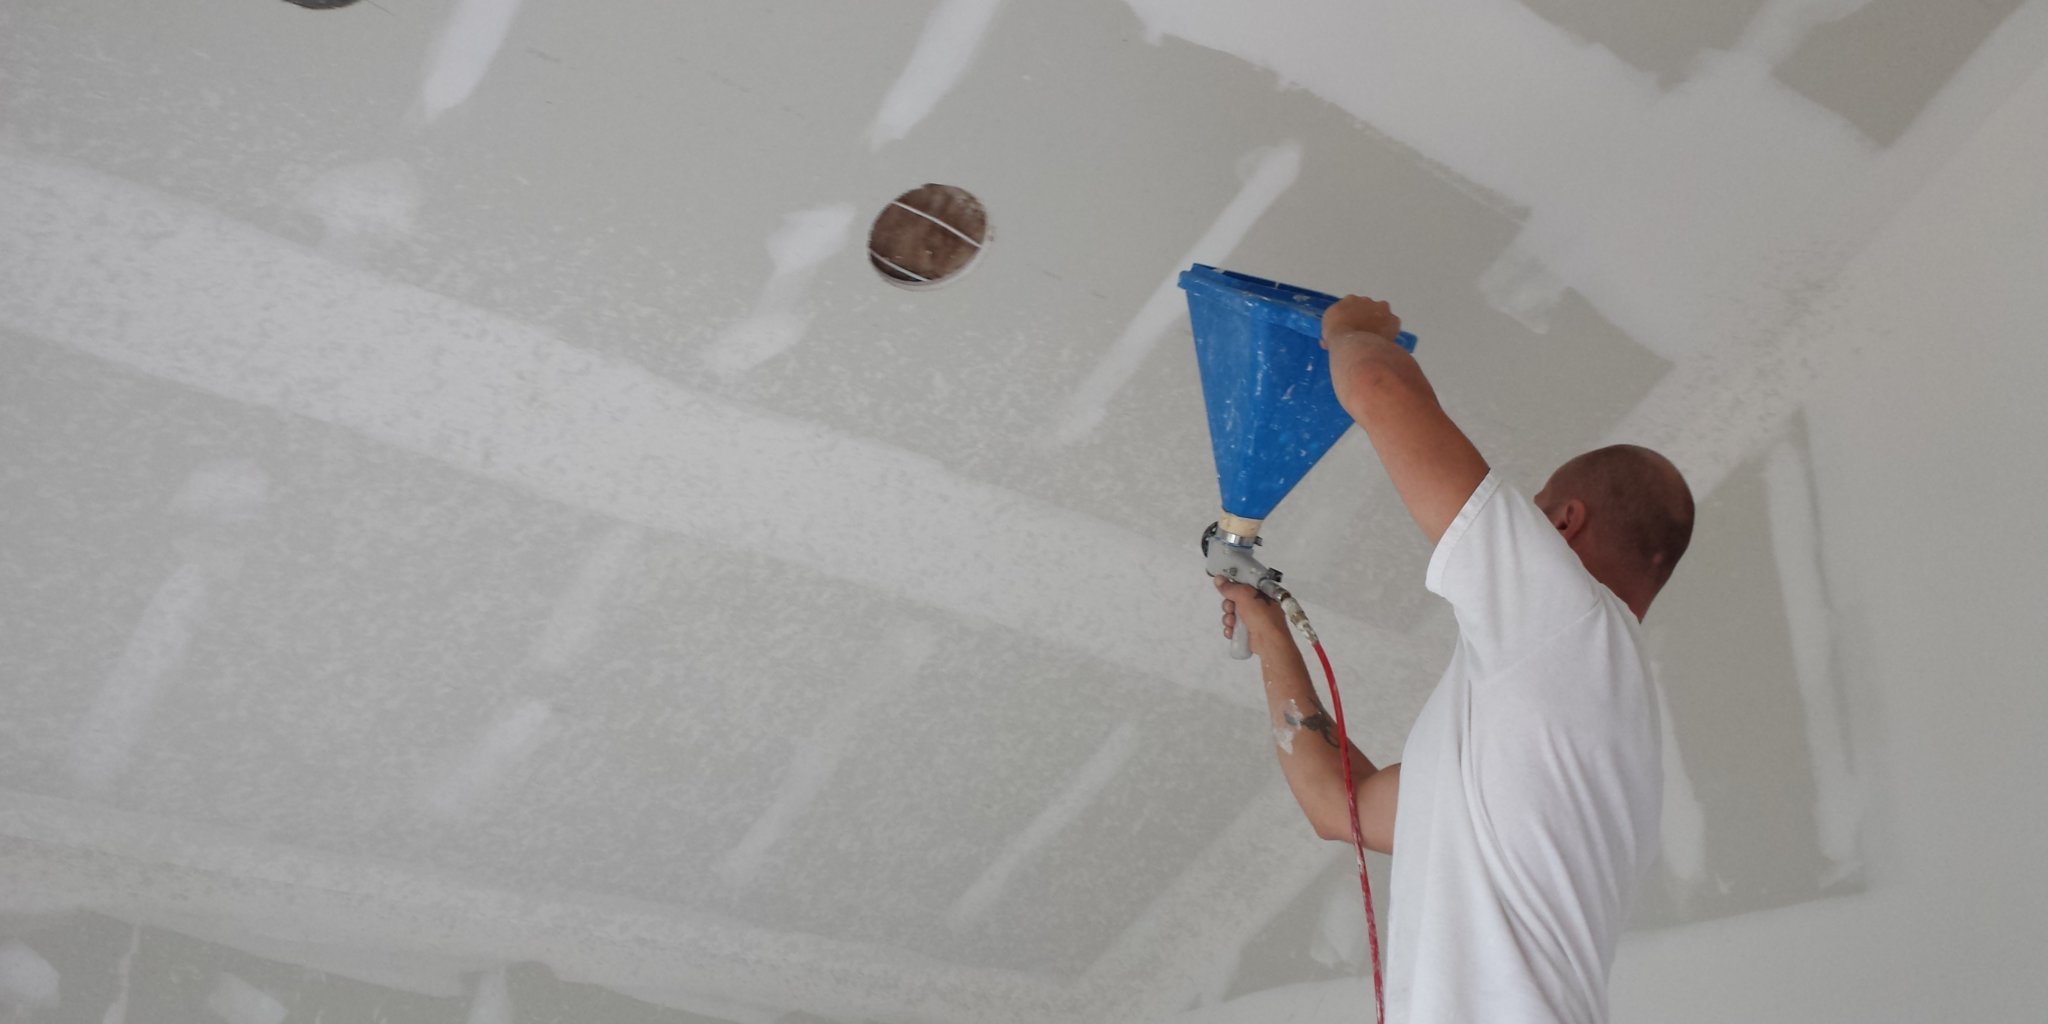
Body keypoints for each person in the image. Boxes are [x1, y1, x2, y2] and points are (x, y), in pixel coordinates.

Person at [1214, 295, 1694, 1024]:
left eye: (1534, 510)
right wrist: (1269, 630)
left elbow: (1378, 389)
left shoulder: (1572, 623)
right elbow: (1339, 807)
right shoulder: (1572, 723)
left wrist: (1352, 329)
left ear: (1563, 521)